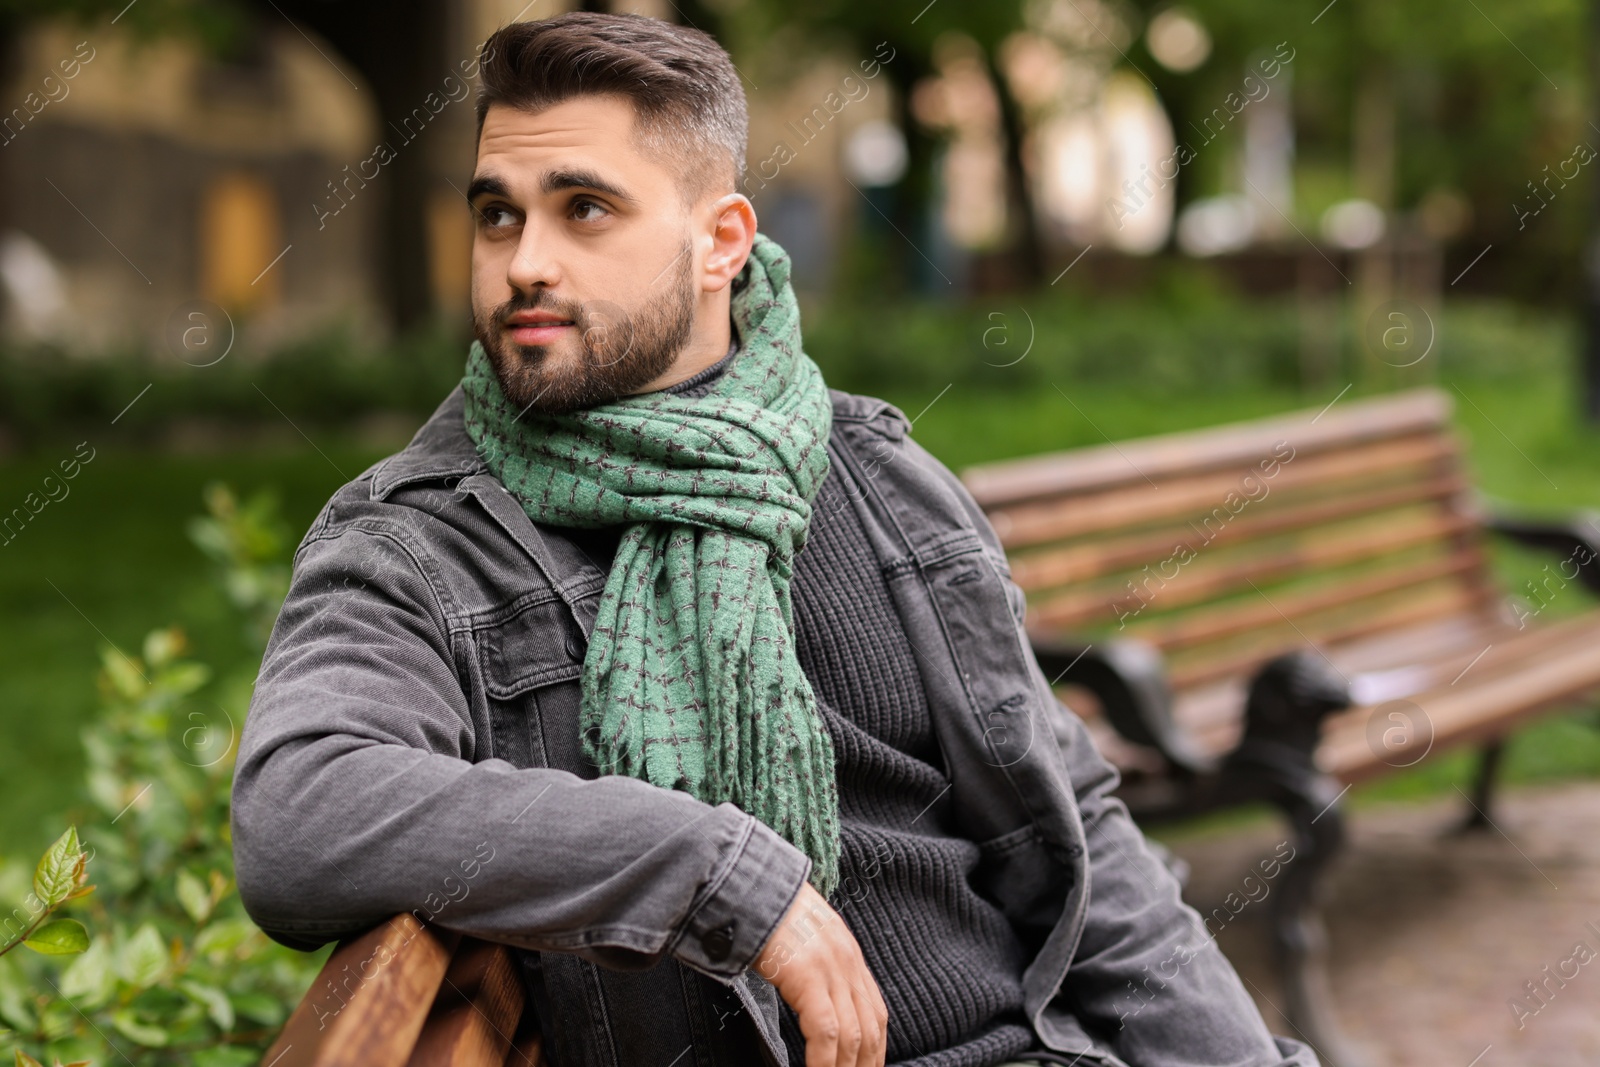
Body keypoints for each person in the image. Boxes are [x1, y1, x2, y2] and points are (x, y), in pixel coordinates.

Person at [231, 13, 1317, 1067]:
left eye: (584, 209)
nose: (524, 263)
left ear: (721, 242)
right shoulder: (422, 542)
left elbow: (1076, 825)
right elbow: (302, 811)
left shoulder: (876, 473)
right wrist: (720, 875)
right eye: (499, 215)